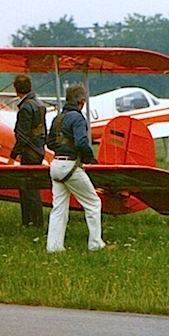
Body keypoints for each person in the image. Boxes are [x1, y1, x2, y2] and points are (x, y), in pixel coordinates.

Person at [45, 83, 114, 252]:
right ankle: (96, 244)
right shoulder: (78, 118)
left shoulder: (58, 118)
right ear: (82, 102)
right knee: (93, 203)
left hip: (55, 166)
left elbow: (50, 142)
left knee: (59, 208)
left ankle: (54, 247)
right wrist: (89, 158)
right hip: (71, 166)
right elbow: (82, 142)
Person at [9, 74, 47, 227]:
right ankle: (35, 222)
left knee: (27, 189)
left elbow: (22, 136)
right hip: (38, 150)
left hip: (29, 152)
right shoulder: (39, 104)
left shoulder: (25, 107)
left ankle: (31, 222)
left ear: (17, 90)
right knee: (32, 187)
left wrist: (13, 155)